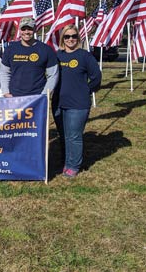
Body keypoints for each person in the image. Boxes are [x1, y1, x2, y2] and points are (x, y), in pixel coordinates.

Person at [53, 25, 101, 178]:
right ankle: (66, 161)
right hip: (58, 103)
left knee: (74, 135)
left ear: (78, 38)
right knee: (63, 134)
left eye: (73, 36)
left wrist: (86, 90)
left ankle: (73, 166)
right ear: (62, 39)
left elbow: (96, 77)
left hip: (78, 104)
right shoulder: (57, 56)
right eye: (67, 36)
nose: (70, 39)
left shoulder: (84, 56)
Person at [0, 17, 59, 97]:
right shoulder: (10, 49)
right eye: (23, 29)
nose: (26, 32)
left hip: (37, 98)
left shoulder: (46, 50)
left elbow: (53, 75)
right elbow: (4, 73)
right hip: (14, 98)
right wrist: (6, 92)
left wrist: (44, 95)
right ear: (20, 30)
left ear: (35, 29)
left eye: (30, 29)